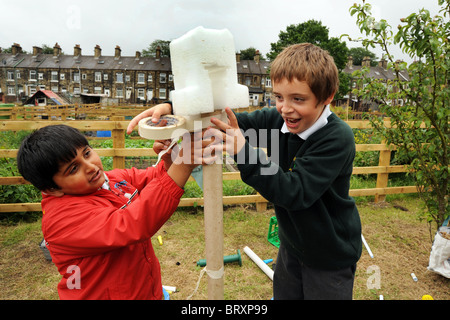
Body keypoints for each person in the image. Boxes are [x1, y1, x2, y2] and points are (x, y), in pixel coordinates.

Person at [127, 43, 362, 300]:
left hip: (329, 256)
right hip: (293, 246)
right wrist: (173, 112)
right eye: (279, 97)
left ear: (327, 96)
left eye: (298, 99)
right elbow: (226, 125)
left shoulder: (336, 137)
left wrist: (243, 150)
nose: (285, 108)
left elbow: (295, 192)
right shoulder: (280, 120)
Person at [17, 124, 212, 299]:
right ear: (52, 189)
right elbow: (132, 224)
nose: (91, 167)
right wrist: (183, 165)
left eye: (86, 153)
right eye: (73, 168)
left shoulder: (111, 180)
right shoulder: (63, 221)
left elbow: (154, 178)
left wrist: (170, 160)